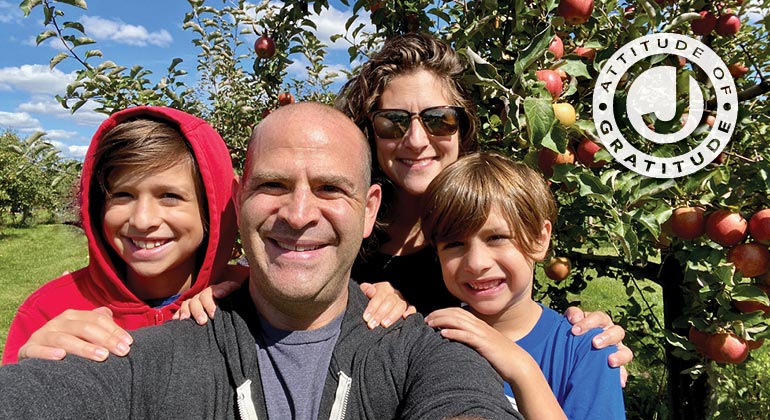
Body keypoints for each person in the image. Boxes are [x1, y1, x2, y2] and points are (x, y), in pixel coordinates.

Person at [0, 103, 523, 420]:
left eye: (329, 188)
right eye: (273, 185)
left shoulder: (422, 350)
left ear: (369, 213)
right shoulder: (134, 350)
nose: (297, 214)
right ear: (242, 201)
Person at [1, 106, 247, 365]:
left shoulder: (251, 296)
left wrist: (242, 305)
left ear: (211, 208)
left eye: (169, 196)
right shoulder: (49, 310)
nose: (142, 220)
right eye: (122, 195)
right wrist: (27, 370)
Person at [423, 152, 626, 419]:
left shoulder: (587, 350)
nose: (476, 263)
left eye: (496, 237)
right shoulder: (429, 339)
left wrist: (521, 368)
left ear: (540, 239)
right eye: (454, 244)